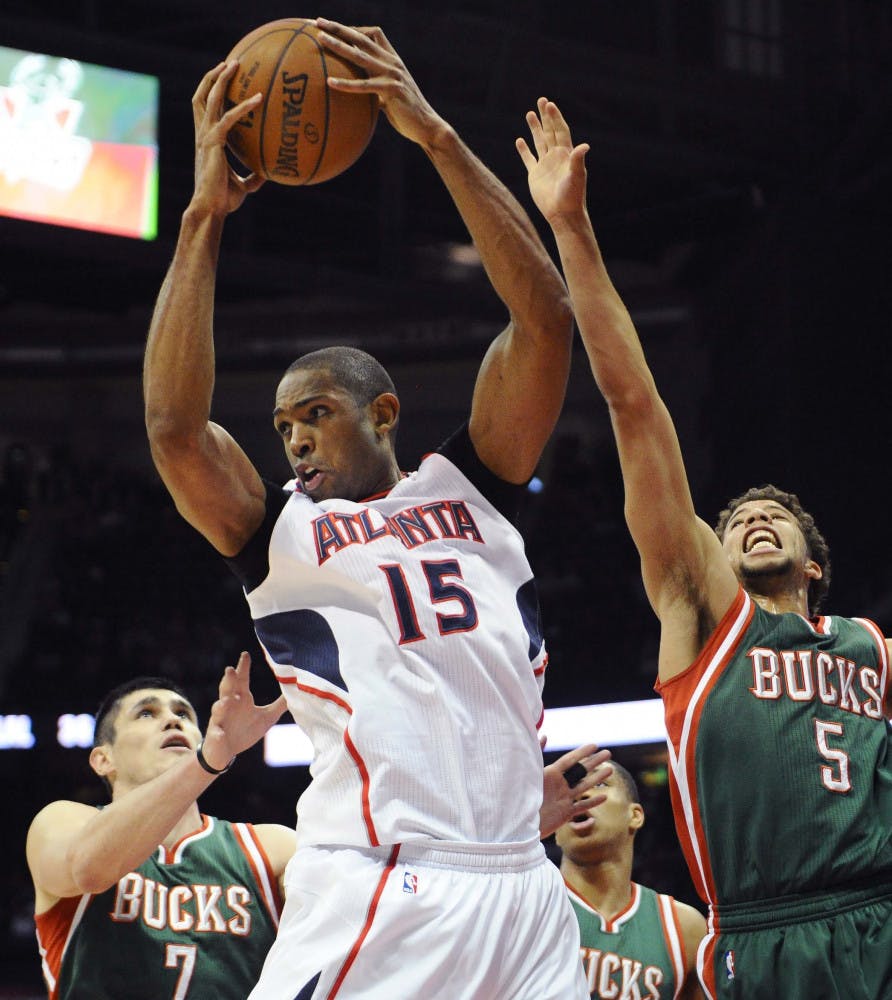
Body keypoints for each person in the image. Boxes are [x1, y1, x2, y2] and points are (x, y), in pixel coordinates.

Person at [143, 17, 611, 999]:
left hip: (522, 887)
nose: (295, 438)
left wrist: (432, 132)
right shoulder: (277, 531)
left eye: (314, 414)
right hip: (379, 878)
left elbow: (544, 323)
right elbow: (176, 427)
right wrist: (202, 217)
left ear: (384, 411)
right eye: (282, 427)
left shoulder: (469, 483)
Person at [517, 98, 892, 998]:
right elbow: (636, 405)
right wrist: (571, 226)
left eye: (776, 516)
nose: (754, 519)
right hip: (764, 933)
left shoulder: (871, 650)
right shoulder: (705, 610)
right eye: (734, 520)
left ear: (815, 563)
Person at [25, 652, 296, 999]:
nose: (172, 720)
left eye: (183, 714)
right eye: (147, 713)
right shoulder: (62, 821)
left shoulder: (271, 847)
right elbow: (88, 869)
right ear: (103, 759)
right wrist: (209, 761)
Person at [557, 760, 706, 1000]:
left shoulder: (684, 928)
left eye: (600, 783)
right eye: (570, 789)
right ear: (554, 827)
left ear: (635, 815)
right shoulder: (526, 908)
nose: (581, 793)